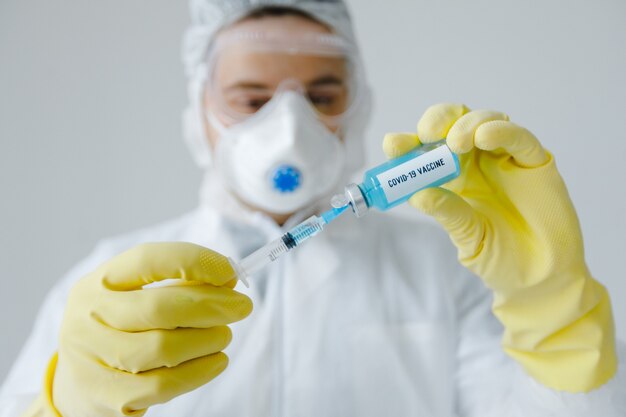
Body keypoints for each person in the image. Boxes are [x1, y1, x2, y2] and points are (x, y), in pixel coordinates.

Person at [1, 1, 625, 416]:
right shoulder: (110, 284)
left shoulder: (446, 267)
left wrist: (554, 320)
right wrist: (67, 404)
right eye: (251, 98)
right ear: (199, 110)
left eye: (323, 95)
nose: (290, 124)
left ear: (357, 104)